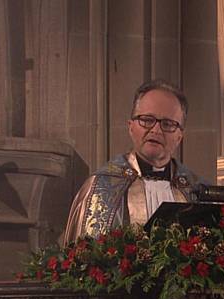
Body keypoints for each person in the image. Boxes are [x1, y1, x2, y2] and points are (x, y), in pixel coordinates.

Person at [62, 79, 204, 245]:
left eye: (168, 124)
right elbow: (83, 261)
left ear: (179, 136)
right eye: (147, 120)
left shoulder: (197, 191)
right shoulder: (100, 187)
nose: (156, 130)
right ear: (131, 127)